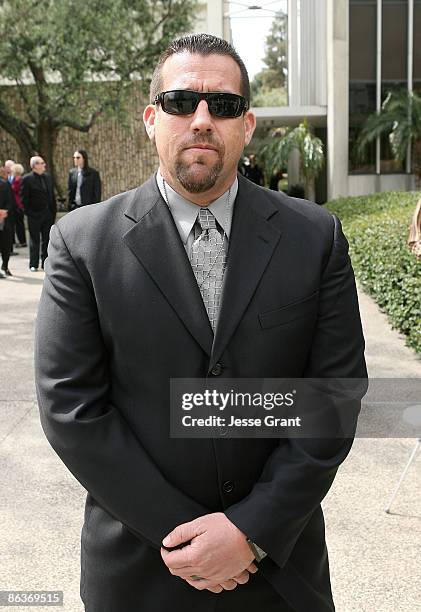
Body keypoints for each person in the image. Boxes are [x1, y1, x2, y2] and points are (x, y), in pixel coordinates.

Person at [35, 34, 367, 612]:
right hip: (142, 567)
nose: (202, 120)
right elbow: (72, 408)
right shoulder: (81, 244)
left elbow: (332, 397)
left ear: (248, 125)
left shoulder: (316, 238)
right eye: (181, 102)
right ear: (150, 118)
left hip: (278, 571)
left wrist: (250, 533)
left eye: (224, 105)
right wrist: (190, 537)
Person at [20, 156, 56, 271]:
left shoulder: (48, 178)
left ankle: (45, 263)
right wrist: (30, 213)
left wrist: (53, 212)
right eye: (42, 163)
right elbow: (23, 200)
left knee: (47, 240)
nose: (44, 165)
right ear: (35, 165)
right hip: (34, 216)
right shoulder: (27, 179)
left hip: (48, 215)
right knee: (34, 240)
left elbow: (52, 196)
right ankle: (33, 264)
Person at [0, 166, 14, 276]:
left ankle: (5, 265)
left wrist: (5, 211)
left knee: (6, 244)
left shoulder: (5, 184)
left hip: (4, 219)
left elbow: (11, 201)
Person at [11, 163, 27, 247]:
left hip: (18, 204)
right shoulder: (16, 179)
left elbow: (15, 190)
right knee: (19, 224)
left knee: (19, 224)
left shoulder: (18, 180)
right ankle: (22, 241)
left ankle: (22, 241)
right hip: (17, 204)